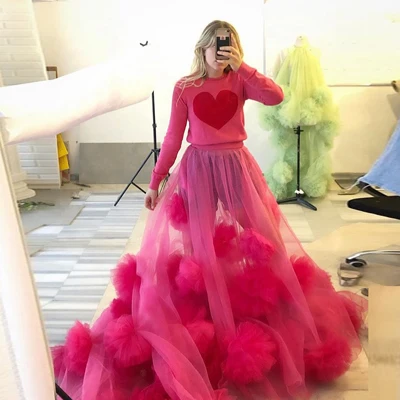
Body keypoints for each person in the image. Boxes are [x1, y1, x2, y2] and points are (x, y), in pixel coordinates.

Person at [52, 21, 367, 400]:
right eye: (216, 45)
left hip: (236, 166)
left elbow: (276, 96)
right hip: (198, 167)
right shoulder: (185, 87)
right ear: (202, 48)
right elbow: (173, 136)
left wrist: (242, 66)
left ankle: (259, 302)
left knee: (257, 236)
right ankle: (208, 309)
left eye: (228, 45)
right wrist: (155, 180)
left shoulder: (241, 80)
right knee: (198, 247)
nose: (221, 52)